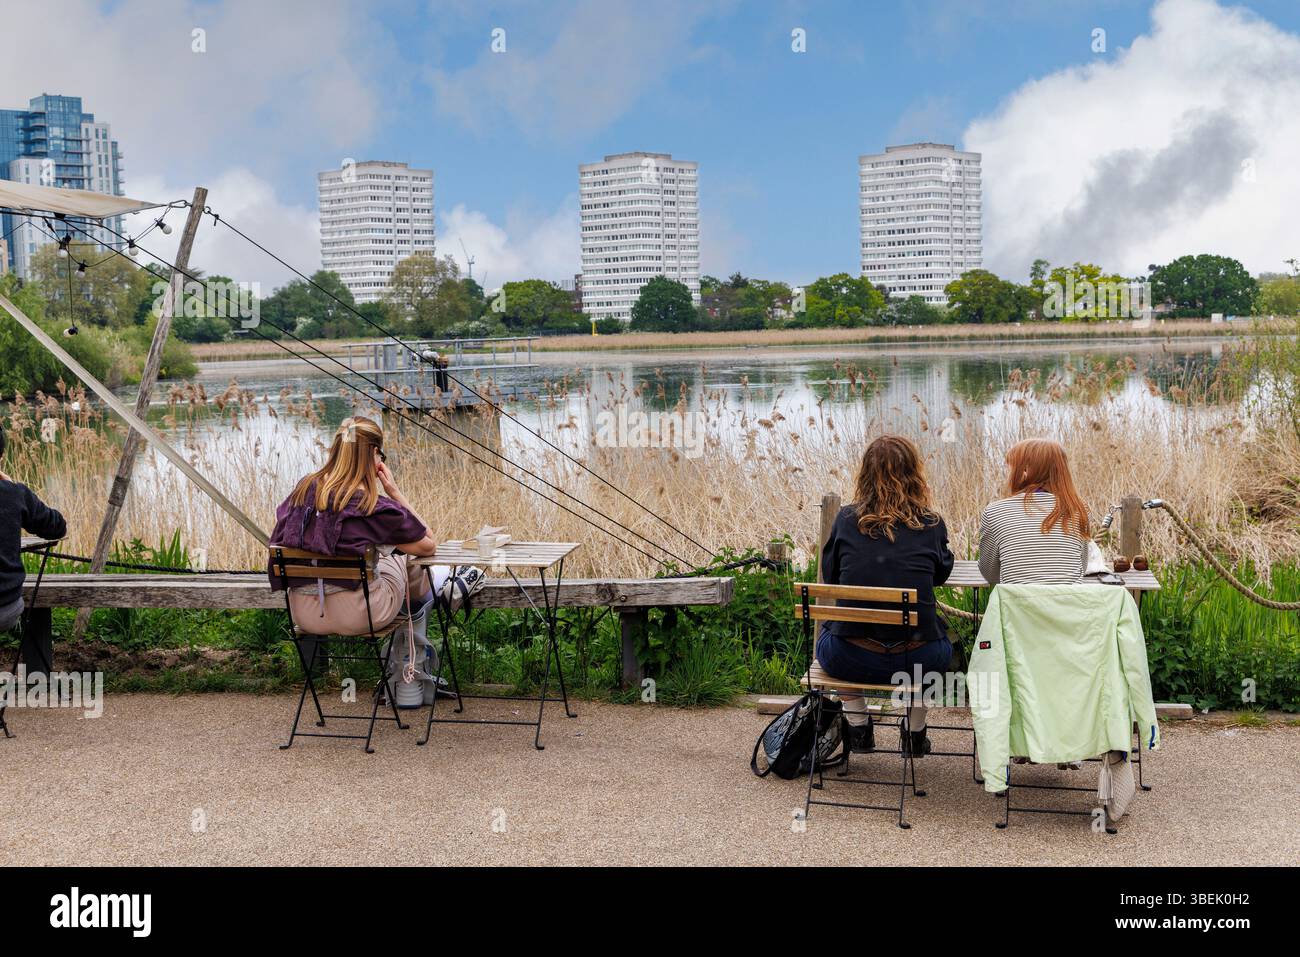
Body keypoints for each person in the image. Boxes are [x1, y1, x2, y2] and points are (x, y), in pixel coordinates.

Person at [817, 435, 954, 757]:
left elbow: (831, 576)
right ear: (914, 473)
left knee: (831, 635)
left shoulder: (846, 520)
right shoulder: (931, 524)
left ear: (865, 474)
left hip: (850, 659)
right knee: (942, 645)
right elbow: (940, 575)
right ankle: (915, 733)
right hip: (918, 662)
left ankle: (859, 723)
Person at [268, 416, 442, 637]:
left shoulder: (302, 491)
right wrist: (395, 493)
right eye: (381, 455)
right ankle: (421, 615)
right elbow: (429, 545)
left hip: (306, 616)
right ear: (373, 454)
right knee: (400, 554)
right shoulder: (371, 506)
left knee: (381, 548)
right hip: (363, 616)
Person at [978, 438, 1089, 586]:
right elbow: (1081, 566)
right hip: (1069, 606)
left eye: (1011, 468)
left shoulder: (994, 512)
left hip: (1017, 607)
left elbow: (990, 573)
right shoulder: (1078, 509)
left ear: (1024, 471)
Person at [0, 427, 68, 633]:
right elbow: (57, 527)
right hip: (6, 608)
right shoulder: (14, 494)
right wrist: (12, 489)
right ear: (2, 457)